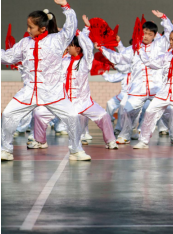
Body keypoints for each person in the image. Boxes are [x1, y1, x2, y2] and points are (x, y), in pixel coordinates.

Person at [1, 0, 91, 161]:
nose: (28, 30)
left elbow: (70, 29)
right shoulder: (24, 43)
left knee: (72, 116)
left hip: (53, 93)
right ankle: (5, 150)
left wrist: (67, 8)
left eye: (31, 27)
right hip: (29, 92)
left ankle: (76, 150)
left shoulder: (56, 40)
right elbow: (7, 57)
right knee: (7, 114)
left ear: (42, 28)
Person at [31, 18, 118, 150]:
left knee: (104, 116)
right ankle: (40, 141)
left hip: (83, 102)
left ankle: (111, 141)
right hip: (62, 101)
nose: (67, 47)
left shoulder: (85, 62)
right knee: (39, 113)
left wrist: (79, 32)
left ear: (77, 48)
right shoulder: (64, 60)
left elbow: (88, 46)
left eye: (70, 45)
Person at [96, 10, 173, 144]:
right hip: (138, 88)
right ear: (140, 33)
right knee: (127, 110)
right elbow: (117, 58)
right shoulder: (132, 49)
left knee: (169, 110)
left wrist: (164, 18)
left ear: (155, 35)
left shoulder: (160, 45)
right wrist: (102, 49)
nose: (146, 36)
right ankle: (124, 135)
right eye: (144, 33)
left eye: (150, 34)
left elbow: (169, 33)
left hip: (157, 87)